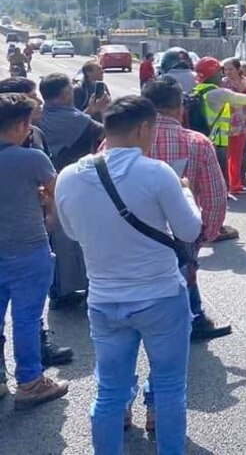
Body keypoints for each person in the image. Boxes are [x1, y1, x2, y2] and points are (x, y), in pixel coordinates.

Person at [55, 96, 202, 454]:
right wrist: (188, 194)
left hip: (105, 301)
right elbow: (188, 230)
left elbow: (72, 234)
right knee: (169, 388)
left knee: (109, 391)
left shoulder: (69, 176)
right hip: (160, 297)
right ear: (142, 128)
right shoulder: (157, 173)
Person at [138, 78, 232, 432]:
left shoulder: (118, 141)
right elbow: (215, 199)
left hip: (125, 253)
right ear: (180, 107)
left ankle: (117, 409)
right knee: (166, 339)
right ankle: (156, 408)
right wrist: (198, 245)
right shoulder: (195, 142)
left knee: (123, 338)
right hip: (177, 247)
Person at [0, 92, 71, 408]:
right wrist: (49, 211)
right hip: (27, 249)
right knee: (27, 319)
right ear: (20, 125)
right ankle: (30, 381)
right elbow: (60, 193)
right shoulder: (31, 159)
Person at [36, 73, 109, 309]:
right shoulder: (78, 119)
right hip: (79, 183)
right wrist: (102, 110)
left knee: (56, 241)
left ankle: (60, 290)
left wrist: (88, 109)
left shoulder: (38, 118)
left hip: (46, 186)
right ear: (66, 94)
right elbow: (106, 133)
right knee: (85, 237)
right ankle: (90, 287)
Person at [194, 57, 246, 203]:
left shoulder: (198, 89)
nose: (224, 73)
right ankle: (224, 192)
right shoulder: (220, 92)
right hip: (219, 136)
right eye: (221, 71)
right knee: (223, 165)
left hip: (206, 134)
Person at [221, 57, 246, 193]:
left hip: (243, 124)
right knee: (230, 156)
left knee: (239, 155)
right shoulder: (223, 83)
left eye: (230, 69)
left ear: (238, 69)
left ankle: (235, 183)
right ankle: (233, 185)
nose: (227, 72)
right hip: (228, 125)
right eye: (225, 69)